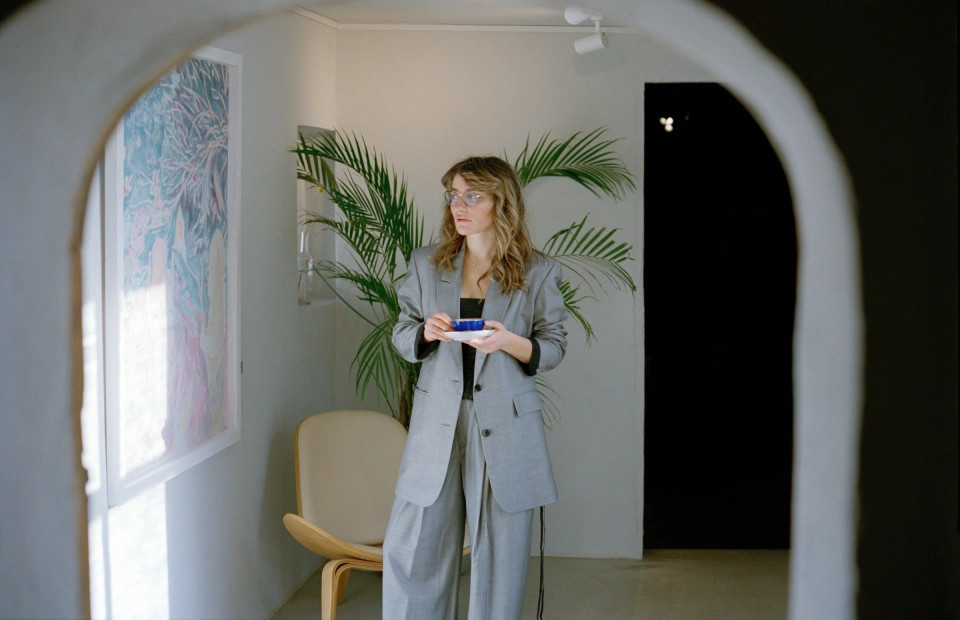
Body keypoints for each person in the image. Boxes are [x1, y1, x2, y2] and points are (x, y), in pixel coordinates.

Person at [383, 156, 568, 620]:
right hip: (437, 424)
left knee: (499, 563)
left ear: (500, 201)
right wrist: (425, 332)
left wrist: (509, 342)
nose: (458, 206)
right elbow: (401, 334)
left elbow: (554, 346)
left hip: (505, 425)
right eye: (453, 195)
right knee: (414, 550)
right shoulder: (427, 264)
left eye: (472, 196)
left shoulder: (538, 270)